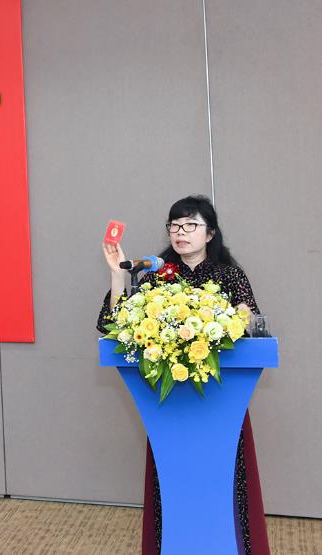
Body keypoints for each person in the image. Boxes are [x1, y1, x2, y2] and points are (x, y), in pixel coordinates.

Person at [97, 195, 268, 555]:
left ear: (210, 233)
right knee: (174, 483)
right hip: (169, 406)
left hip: (220, 402)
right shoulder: (156, 275)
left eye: (191, 225)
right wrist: (117, 275)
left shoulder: (229, 274)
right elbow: (111, 323)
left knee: (222, 483)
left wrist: (241, 317)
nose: (180, 232)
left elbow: (255, 326)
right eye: (174, 225)